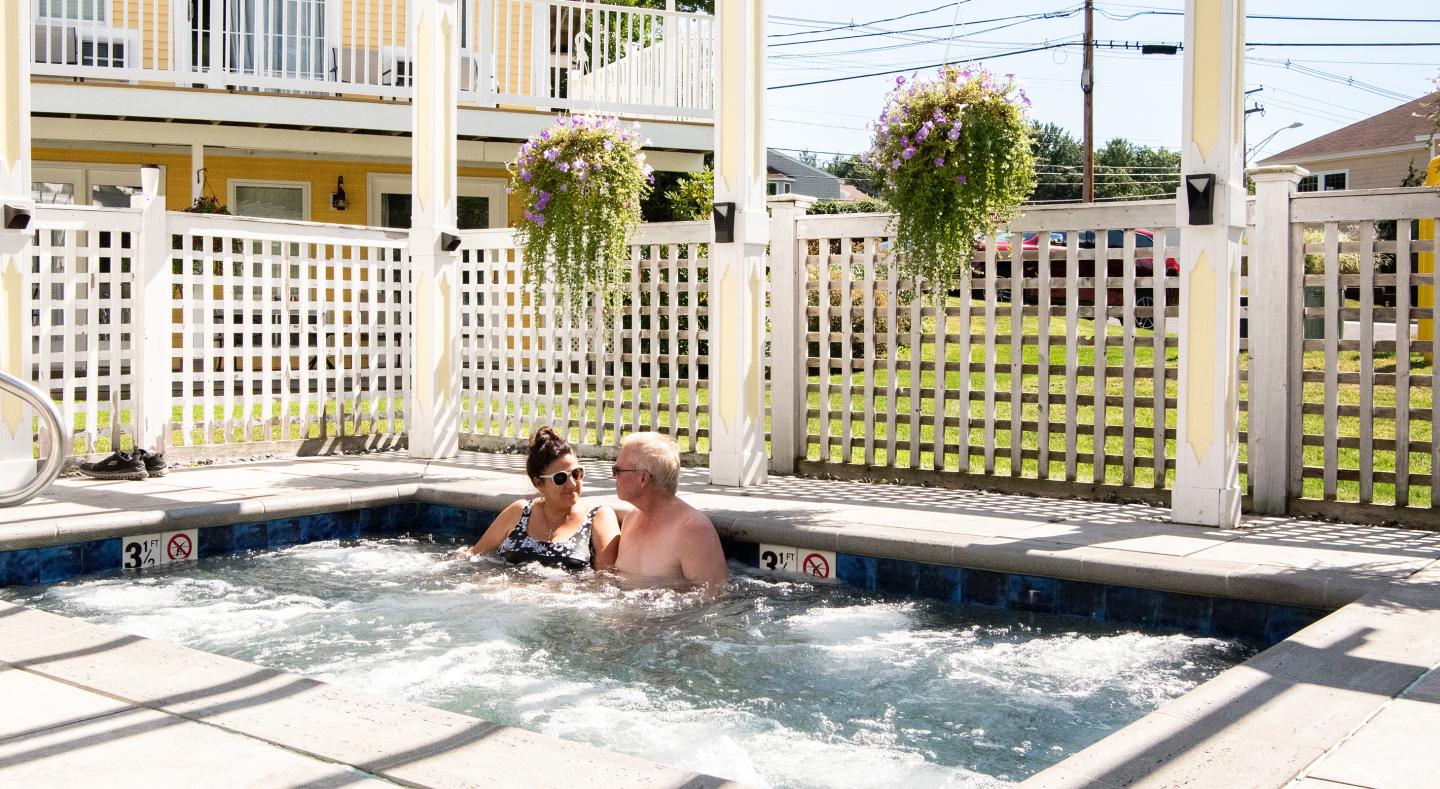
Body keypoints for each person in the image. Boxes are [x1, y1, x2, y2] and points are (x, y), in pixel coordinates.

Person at [458, 427, 620, 570]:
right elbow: (472, 556)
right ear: (538, 483)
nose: (572, 484)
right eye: (560, 478)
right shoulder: (519, 512)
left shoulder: (598, 517)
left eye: (576, 473)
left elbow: (604, 578)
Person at [611, 431, 728, 586]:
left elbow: (714, 594)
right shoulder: (631, 519)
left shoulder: (692, 530)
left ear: (643, 478)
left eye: (617, 470)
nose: (614, 476)